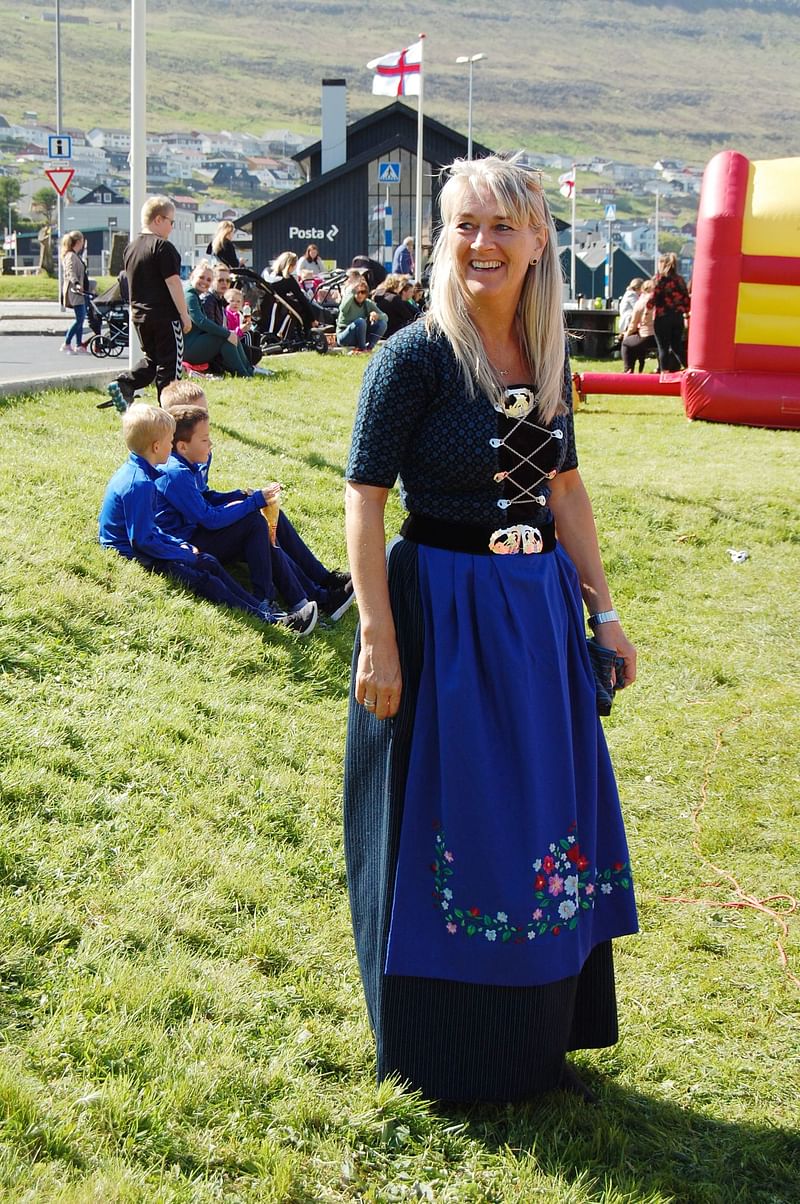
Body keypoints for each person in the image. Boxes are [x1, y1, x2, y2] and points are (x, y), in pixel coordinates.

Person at [343, 155, 638, 1104]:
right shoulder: (416, 356)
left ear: (538, 238)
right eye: (465, 225)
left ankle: (535, 1039)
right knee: (454, 816)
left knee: (540, 816)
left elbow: (565, 492)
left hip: (534, 618)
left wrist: (604, 610)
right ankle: (447, 1052)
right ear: (443, 238)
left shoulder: (548, 355)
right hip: (445, 612)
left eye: (503, 226)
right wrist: (379, 640)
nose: (482, 244)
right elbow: (364, 504)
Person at [98, 403, 297, 629]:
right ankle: (265, 619)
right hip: (132, 554)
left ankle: (258, 608)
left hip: (141, 545)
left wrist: (179, 545)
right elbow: (142, 541)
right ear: (156, 446)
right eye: (170, 440)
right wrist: (182, 553)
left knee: (208, 561)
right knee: (204, 578)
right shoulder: (140, 484)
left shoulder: (139, 472)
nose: (172, 446)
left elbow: (149, 529)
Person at [154, 404, 355, 626]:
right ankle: (274, 599)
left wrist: (240, 495)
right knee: (255, 522)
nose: (211, 443)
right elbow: (209, 519)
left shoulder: (186, 463)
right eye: (204, 439)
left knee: (266, 518)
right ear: (182, 446)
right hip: (187, 544)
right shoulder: (175, 473)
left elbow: (205, 497)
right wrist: (253, 501)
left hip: (196, 532)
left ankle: (319, 587)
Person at [108, 196, 192, 408]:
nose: (172, 227)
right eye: (171, 221)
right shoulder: (163, 247)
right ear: (158, 220)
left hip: (140, 316)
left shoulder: (131, 248)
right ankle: (170, 410)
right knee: (170, 366)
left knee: (153, 360)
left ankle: (124, 384)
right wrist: (184, 314)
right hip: (165, 316)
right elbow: (173, 283)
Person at [183, 262, 257, 378]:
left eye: (208, 280)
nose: (204, 282)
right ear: (192, 276)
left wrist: (229, 334)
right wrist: (227, 334)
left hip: (193, 343)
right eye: (201, 277)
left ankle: (248, 371)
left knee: (230, 337)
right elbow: (200, 321)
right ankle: (244, 374)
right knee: (225, 338)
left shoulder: (195, 294)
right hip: (188, 349)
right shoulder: (190, 295)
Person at [650, 252, 690, 371]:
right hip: (677, 317)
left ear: (662, 264)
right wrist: (686, 312)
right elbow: (686, 299)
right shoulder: (680, 280)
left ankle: (664, 373)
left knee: (663, 348)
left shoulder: (659, 279)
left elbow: (653, 298)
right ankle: (689, 368)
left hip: (662, 317)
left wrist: (648, 306)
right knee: (677, 346)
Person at [59, 230, 90, 354]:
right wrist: (77, 283)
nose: (83, 244)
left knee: (80, 319)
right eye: (82, 241)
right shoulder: (71, 256)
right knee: (80, 319)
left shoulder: (74, 255)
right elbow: (70, 271)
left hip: (79, 291)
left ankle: (79, 345)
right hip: (75, 292)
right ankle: (67, 343)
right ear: (78, 241)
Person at [336, 281, 387, 354]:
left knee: (382, 323)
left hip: (360, 335)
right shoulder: (348, 300)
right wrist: (352, 293)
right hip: (345, 335)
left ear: (366, 293)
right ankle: (362, 348)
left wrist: (377, 316)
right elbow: (343, 309)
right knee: (361, 321)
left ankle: (369, 348)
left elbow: (386, 317)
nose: (360, 295)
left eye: (363, 292)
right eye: (357, 292)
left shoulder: (367, 303)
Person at [621, 279, 657, 372]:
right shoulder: (661, 302)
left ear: (643, 290)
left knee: (626, 343)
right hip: (659, 337)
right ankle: (660, 369)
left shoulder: (641, 303)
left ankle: (628, 369)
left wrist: (626, 335)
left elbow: (633, 325)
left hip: (646, 336)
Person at [373, 274, 417, 338]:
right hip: (392, 330)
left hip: (381, 330)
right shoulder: (394, 298)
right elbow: (408, 316)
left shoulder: (379, 295)